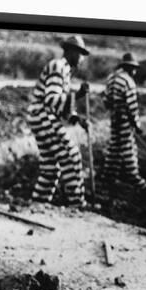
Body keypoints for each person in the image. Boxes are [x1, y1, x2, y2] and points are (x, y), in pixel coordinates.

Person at [26, 35, 90, 207]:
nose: (82, 59)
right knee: (71, 156)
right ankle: (77, 204)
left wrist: (78, 119)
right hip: (43, 116)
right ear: (71, 52)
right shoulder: (57, 66)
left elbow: (62, 106)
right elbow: (52, 100)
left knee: (51, 168)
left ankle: (37, 204)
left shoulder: (65, 71)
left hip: (42, 117)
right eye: (81, 54)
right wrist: (78, 95)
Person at [102, 53, 146, 192]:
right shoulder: (128, 81)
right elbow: (132, 107)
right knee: (128, 148)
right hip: (124, 120)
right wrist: (136, 125)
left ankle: (108, 176)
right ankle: (135, 179)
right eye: (134, 68)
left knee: (115, 147)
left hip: (114, 118)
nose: (135, 71)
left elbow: (106, 101)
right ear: (130, 67)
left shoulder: (111, 78)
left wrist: (114, 110)